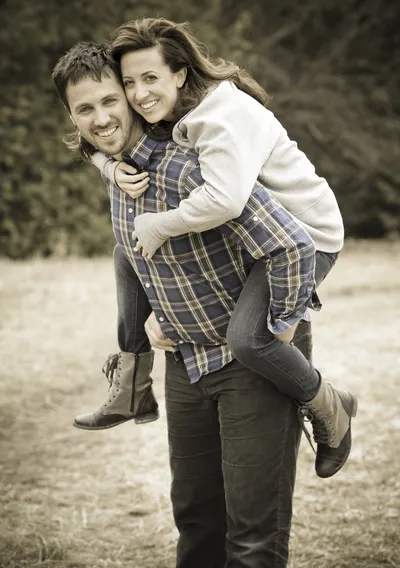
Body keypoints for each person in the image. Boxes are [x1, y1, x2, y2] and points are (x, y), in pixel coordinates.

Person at [52, 41, 317, 568]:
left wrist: (283, 325)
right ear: (71, 116)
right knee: (196, 522)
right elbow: (136, 245)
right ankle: (131, 381)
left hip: (250, 360)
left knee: (252, 539)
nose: (102, 118)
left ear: (132, 95)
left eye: (111, 99)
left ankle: (326, 403)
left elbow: (291, 243)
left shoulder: (193, 162)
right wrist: (154, 312)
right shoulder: (120, 169)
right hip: (186, 363)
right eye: (85, 109)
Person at [91, 17, 357, 479]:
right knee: (124, 254)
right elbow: (92, 134)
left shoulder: (217, 118)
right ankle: (133, 378)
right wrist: (107, 167)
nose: (138, 94)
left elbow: (226, 199)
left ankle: (330, 406)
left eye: (150, 78)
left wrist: (160, 226)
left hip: (305, 237)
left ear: (180, 73)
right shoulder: (173, 111)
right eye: (129, 82)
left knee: (249, 338)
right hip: (258, 241)